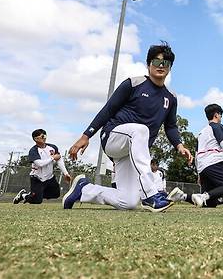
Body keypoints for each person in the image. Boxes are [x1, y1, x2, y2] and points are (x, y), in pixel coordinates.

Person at [64, 42, 193, 212]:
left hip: (132, 150)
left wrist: (180, 145)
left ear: (170, 68)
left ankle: (84, 189)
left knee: (129, 201)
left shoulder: (171, 97)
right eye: (156, 61)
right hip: (113, 137)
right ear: (148, 65)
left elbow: (170, 126)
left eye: (165, 63)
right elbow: (108, 109)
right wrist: (86, 135)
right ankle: (151, 195)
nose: (161, 66)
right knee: (141, 129)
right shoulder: (133, 83)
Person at [169, 103, 223, 209]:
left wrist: (199, 174)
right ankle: (203, 196)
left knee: (210, 203)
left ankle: (182, 196)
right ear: (216, 115)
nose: (221, 118)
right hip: (215, 162)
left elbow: (197, 155)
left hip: (203, 167)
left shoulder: (201, 133)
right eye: (220, 115)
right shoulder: (217, 126)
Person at [13, 129, 72, 204]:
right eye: (42, 136)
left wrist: (66, 173)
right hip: (37, 178)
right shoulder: (33, 150)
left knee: (56, 194)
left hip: (50, 177)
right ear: (36, 139)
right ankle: (23, 195)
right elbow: (39, 164)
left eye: (45, 135)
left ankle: (34, 195)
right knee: (37, 201)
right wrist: (52, 158)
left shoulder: (52, 147)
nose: (44, 137)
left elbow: (59, 159)